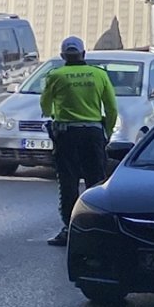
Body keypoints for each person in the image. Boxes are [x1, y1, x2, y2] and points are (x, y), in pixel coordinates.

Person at [40, 36, 119, 246]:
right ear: (84, 54)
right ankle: (99, 227)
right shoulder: (99, 75)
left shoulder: (55, 75)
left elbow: (45, 106)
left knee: (68, 182)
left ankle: (70, 228)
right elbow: (111, 108)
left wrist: (58, 113)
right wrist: (107, 133)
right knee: (96, 182)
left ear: (63, 56)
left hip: (67, 135)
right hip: (93, 134)